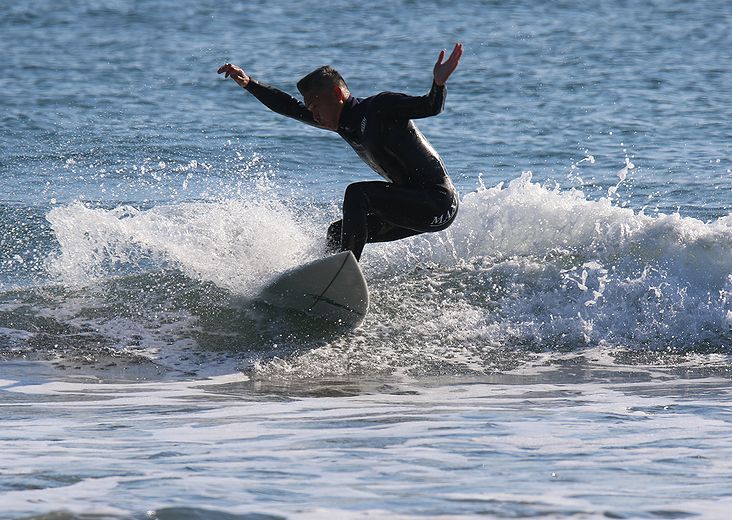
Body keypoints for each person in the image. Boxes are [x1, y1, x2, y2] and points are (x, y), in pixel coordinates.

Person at [217, 42, 463, 261]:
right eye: (310, 108)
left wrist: (438, 84)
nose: (313, 115)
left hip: (438, 203)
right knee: (337, 232)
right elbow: (290, 108)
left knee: (357, 194)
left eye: (316, 106)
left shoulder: (380, 108)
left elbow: (430, 106)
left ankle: (344, 270)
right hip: (415, 206)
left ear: (337, 94)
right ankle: (327, 281)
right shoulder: (342, 124)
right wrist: (250, 84)